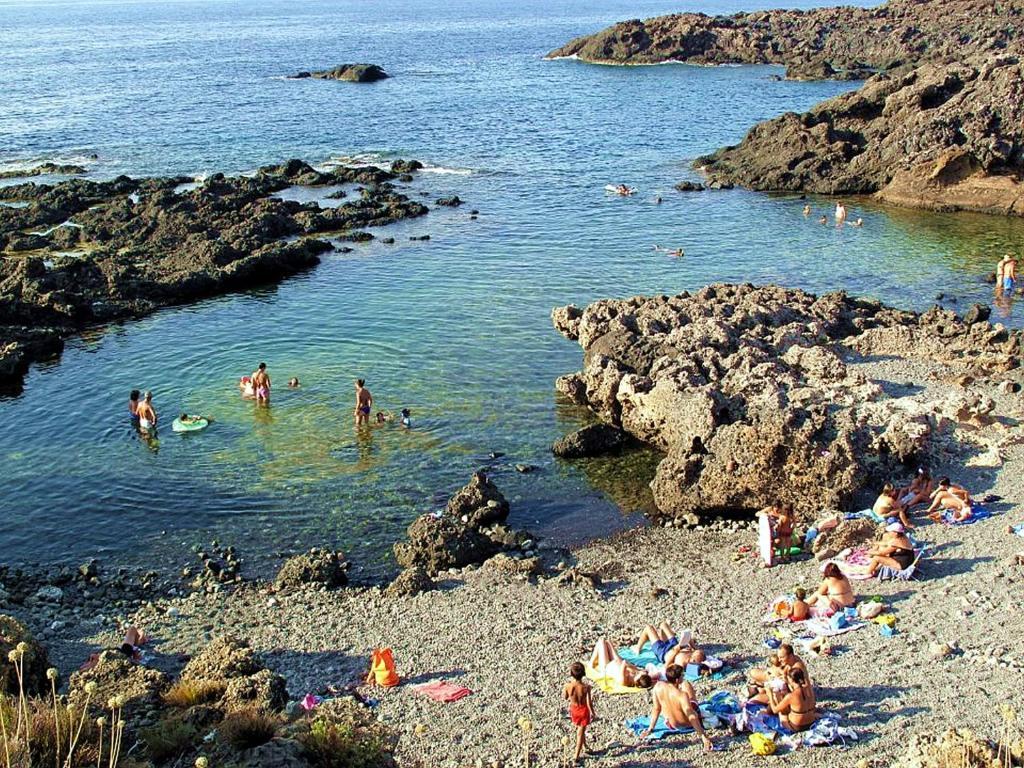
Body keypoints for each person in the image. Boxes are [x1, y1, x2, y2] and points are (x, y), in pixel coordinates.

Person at [637, 665, 713, 751]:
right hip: (688, 724)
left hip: (672, 725)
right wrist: (703, 737)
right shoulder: (682, 695)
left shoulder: (657, 687)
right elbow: (691, 716)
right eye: (682, 675)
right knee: (686, 684)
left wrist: (650, 729)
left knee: (668, 703)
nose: (683, 677)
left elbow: (656, 709)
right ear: (677, 680)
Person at [765, 667, 817, 732]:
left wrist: (770, 695)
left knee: (782, 713)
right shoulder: (807, 689)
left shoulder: (790, 696)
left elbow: (775, 710)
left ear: (791, 680)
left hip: (797, 726)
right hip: (811, 722)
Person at [589, 638, 655, 689]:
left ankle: (591, 663)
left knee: (601, 641)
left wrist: (637, 670)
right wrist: (639, 671)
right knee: (608, 642)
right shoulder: (635, 677)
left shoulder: (624, 681)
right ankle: (597, 657)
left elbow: (624, 663)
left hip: (606, 666)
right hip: (616, 661)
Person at [633, 622, 705, 666]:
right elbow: (694, 648)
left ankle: (638, 647)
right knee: (663, 624)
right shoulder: (694, 654)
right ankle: (661, 638)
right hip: (674, 645)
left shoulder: (682, 662)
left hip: (663, 652)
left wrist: (677, 649)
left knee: (648, 628)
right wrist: (690, 642)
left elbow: (667, 664)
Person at [563, 662, 594, 764]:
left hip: (574, 709)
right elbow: (589, 702)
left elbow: (565, 697)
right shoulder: (586, 687)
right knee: (580, 733)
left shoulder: (568, 686)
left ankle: (584, 746)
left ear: (571, 673)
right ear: (583, 673)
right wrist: (592, 712)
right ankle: (576, 755)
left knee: (581, 729)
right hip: (583, 710)